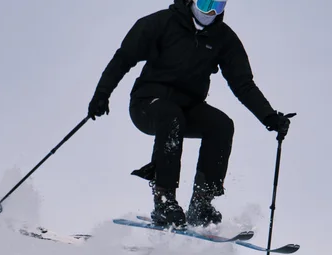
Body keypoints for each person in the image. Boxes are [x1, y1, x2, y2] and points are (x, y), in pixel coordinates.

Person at [87, 0, 292, 228]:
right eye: (206, 3)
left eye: (218, 5)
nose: (211, 11)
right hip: (147, 104)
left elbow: (243, 84)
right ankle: (164, 199)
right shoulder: (162, 22)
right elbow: (123, 57)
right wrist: (101, 94)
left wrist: (269, 117)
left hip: (187, 109)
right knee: (170, 115)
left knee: (221, 125)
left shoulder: (223, 38)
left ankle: (201, 202)